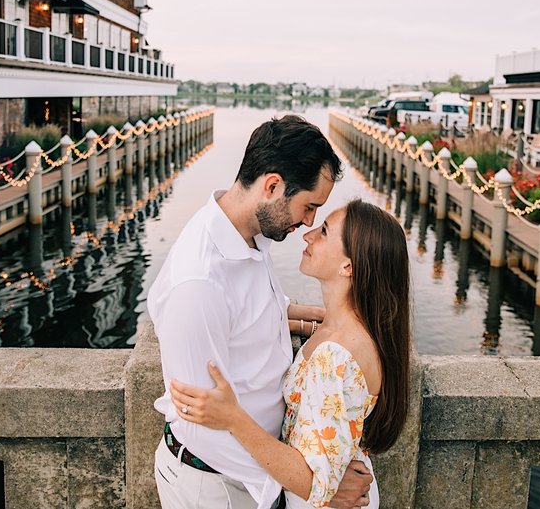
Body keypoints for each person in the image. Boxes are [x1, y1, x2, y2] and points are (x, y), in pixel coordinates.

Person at [147, 115, 373, 509]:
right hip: (217, 484)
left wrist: (330, 318)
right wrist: (307, 486)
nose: (308, 222)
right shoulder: (200, 282)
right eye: (308, 206)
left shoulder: (249, 238)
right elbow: (202, 427)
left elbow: (253, 313)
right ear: (272, 186)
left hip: (254, 470)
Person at [169, 199, 412, 509]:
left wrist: (232, 417)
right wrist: (291, 317)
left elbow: (320, 484)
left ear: (347, 266)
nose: (308, 234)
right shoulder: (351, 327)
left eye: (324, 231)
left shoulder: (335, 358)